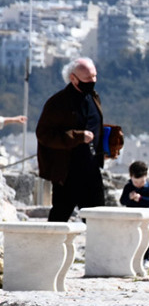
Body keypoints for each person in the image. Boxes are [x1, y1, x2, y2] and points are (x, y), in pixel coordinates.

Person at [36, 57, 106, 222]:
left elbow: (95, 126)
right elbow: (44, 134)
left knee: (98, 220)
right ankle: (49, 248)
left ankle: (96, 249)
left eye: (95, 76)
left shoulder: (93, 97)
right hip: (67, 172)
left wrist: (105, 148)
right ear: (73, 78)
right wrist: (77, 136)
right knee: (59, 218)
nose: (93, 81)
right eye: (88, 78)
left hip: (92, 169)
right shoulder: (57, 103)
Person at [120, 160, 149, 261]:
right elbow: (123, 201)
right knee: (130, 238)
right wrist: (129, 197)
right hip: (131, 218)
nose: (139, 185)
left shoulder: (148, 188)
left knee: (145, 238)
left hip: (144, 218)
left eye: (142, 182)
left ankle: (146, 259)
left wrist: (140, 199)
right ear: (131, 177)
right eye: (136, 182)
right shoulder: (128, 187)